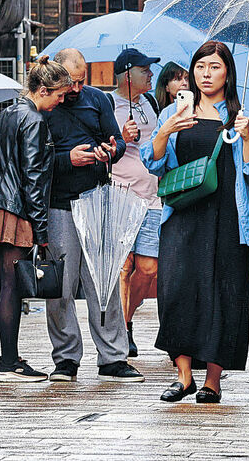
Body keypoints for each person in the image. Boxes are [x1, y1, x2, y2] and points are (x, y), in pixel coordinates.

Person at [141, 40, 249, 404]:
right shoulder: (174, 113)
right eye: (200, 66)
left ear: (227, 72)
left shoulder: (242, 116)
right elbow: (154, 163)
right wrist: (166, 131)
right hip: (183, 213)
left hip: (227, 215)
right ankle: (183, 376)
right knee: (176, 289)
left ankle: (213, 379)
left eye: (214, 66)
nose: (206, 73)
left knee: (224, 292)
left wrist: (245, 137)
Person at [43, 48, 142, 383]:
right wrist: (67, 159)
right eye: (70, 82)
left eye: (81, 80)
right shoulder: (46, 107)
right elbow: (37, 161)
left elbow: (116, 143)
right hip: (59, 204)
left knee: (105, 278)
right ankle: (66, 357)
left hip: (97, 197)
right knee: (61, 284)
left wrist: (107, 151)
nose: (75, 89)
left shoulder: (97, 99)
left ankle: (113, 356)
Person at [0, 56, 72, 382]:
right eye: (59, 94)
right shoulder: (34, 121)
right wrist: (41, 231)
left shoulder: (5, 115)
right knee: (11, 287)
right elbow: (34, 178)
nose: (61, 100)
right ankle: (10, 363)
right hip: (16, 210)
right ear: (43, 89)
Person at [109, 48, 161, 358]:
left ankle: (127, 316)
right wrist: (120, 138)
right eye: (145, 70)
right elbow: (102, 146)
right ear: (128, 74)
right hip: (121, 193)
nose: (151, 74)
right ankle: (122, 330)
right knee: (123, 265)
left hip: (152, 194)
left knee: (149, 267)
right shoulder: (107, 103)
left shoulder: (150, 103)